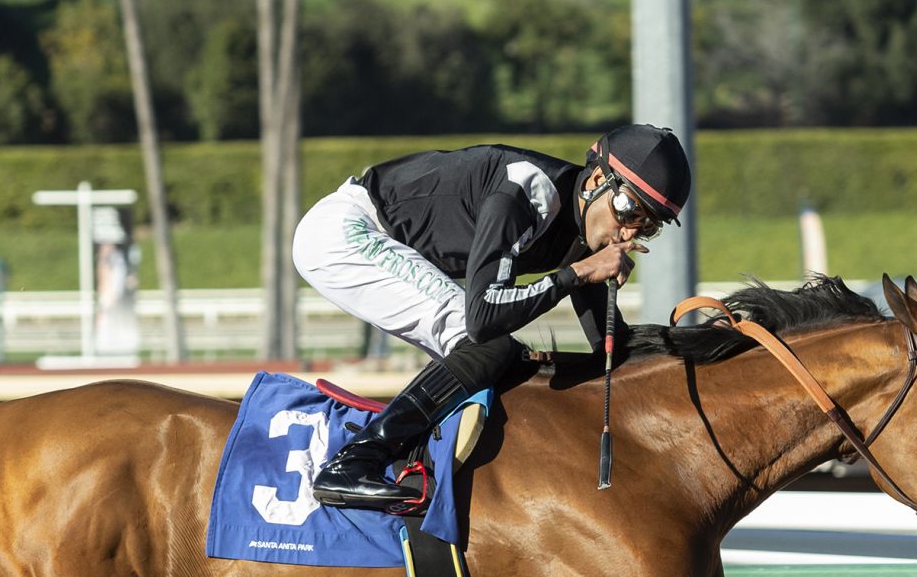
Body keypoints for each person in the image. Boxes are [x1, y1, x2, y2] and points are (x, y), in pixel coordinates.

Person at [291, 124, 692, 510]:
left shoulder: (582, 229)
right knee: (488, 346)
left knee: (510, 360)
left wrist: (694, 354)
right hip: (346, 233)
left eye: (648, 226)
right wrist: (577, 273)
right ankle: (354, 462)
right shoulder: (526, 190)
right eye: (628, 211)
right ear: (594, 183)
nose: (628, 234)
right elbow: (484, 317)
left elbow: (614, 351)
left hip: (372, 237)